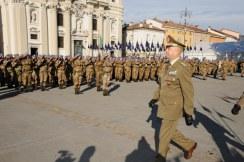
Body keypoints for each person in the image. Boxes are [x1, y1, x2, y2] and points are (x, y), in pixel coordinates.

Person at [149, 35, 197, 162]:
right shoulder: (166, 66)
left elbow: (188, 92)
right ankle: (189, 145)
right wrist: (155, 98)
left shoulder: (182, 67)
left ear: (177, 51)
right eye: (166, 48)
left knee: (164, 133)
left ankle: (161, 157)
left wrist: (188, 112)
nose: (166, 51)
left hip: (174, 106)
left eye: (169, 48)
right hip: (164, 104)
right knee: (170, 131)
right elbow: (162, 85)